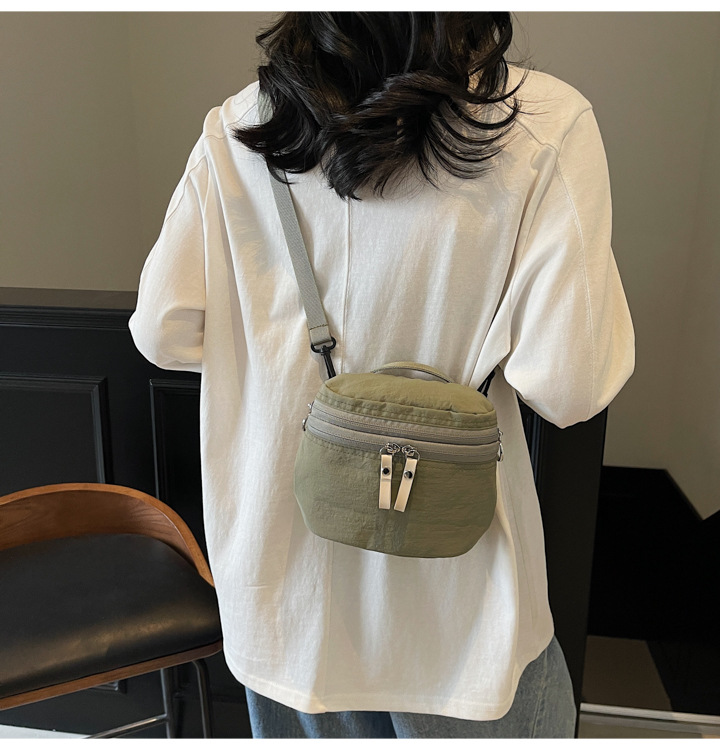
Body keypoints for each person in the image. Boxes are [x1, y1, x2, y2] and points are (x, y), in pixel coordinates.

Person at [128, 12, 635, 739]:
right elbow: (570, 384)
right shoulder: (544, 123)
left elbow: (163, 332)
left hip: (287, 597)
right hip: (460, 609)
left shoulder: (241, 126)